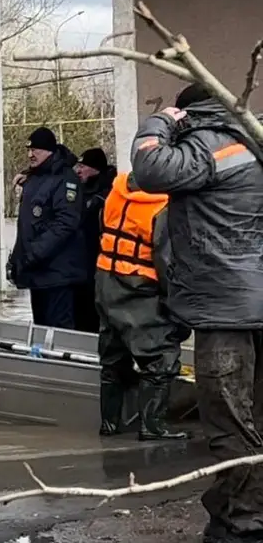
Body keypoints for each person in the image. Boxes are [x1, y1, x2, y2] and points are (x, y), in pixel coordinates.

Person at [131, 83, 263, 543]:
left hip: (226, 306)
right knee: (253, 415)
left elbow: (148, 168)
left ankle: (245, 525)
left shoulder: (210, 145)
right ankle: (238, 516)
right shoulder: (252, 142)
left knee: (229, 418)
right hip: (252, 300)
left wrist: (161, 121)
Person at [94, 171, 189, 441]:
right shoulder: (163, 206)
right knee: (161, 359)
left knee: (113, 357)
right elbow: (167, 261)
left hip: (105, 279)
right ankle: (153, 426)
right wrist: (178, 304)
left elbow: (102, 228)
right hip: (140, 286)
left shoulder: (117, 189)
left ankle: (109, 424)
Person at [8, 127, 87, 329]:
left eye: (35, 150)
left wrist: (34, 252)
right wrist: (18, 259)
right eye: (29, 150)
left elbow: (66, 223)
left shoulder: (65, 179)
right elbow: (28, 225)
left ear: (49, 151)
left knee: (60, 332)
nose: (30, 155)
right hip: (39, 273)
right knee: (42, 331)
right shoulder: (35, 178)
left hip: (58, 273)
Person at [73, 147, 117, 332]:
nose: (78, 170)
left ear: (95, 169)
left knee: (96, 320)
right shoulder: (79, 190)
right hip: (79, 268)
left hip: (100, 268)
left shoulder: (108, 195)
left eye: (83, 166)